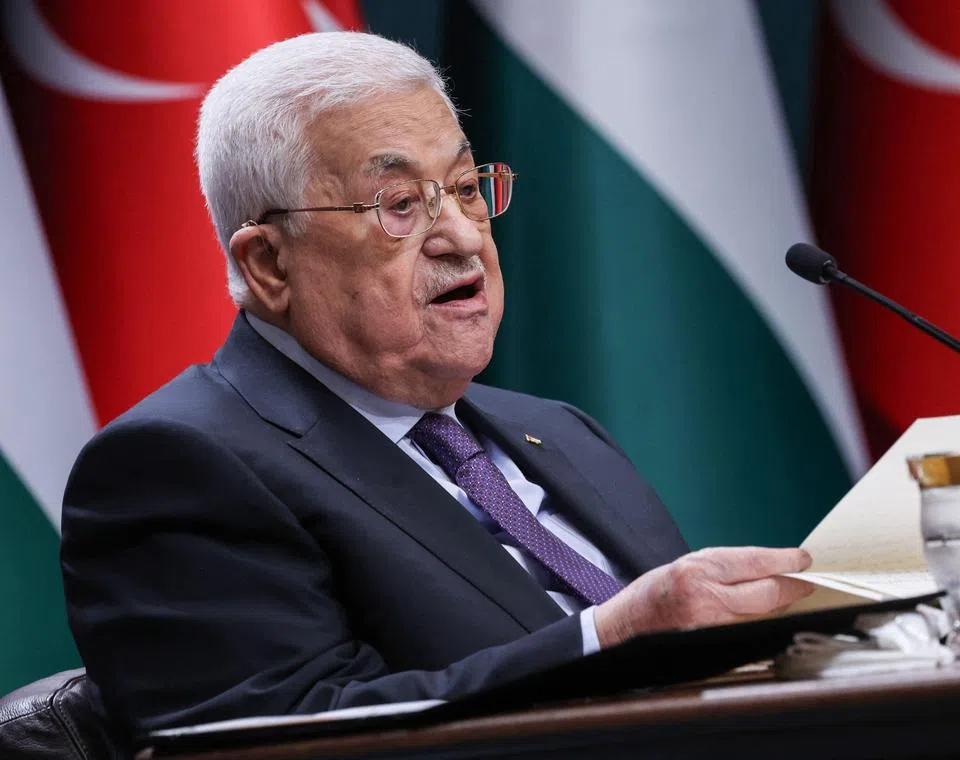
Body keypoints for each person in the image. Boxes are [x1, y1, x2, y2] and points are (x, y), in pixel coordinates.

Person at [60, 31, 814, 734]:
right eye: (399, 206)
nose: (461, 235)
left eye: (465, 187)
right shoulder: (178, 468)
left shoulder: (558, 430)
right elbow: (280, 735)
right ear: (269, 264)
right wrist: (608, 641)